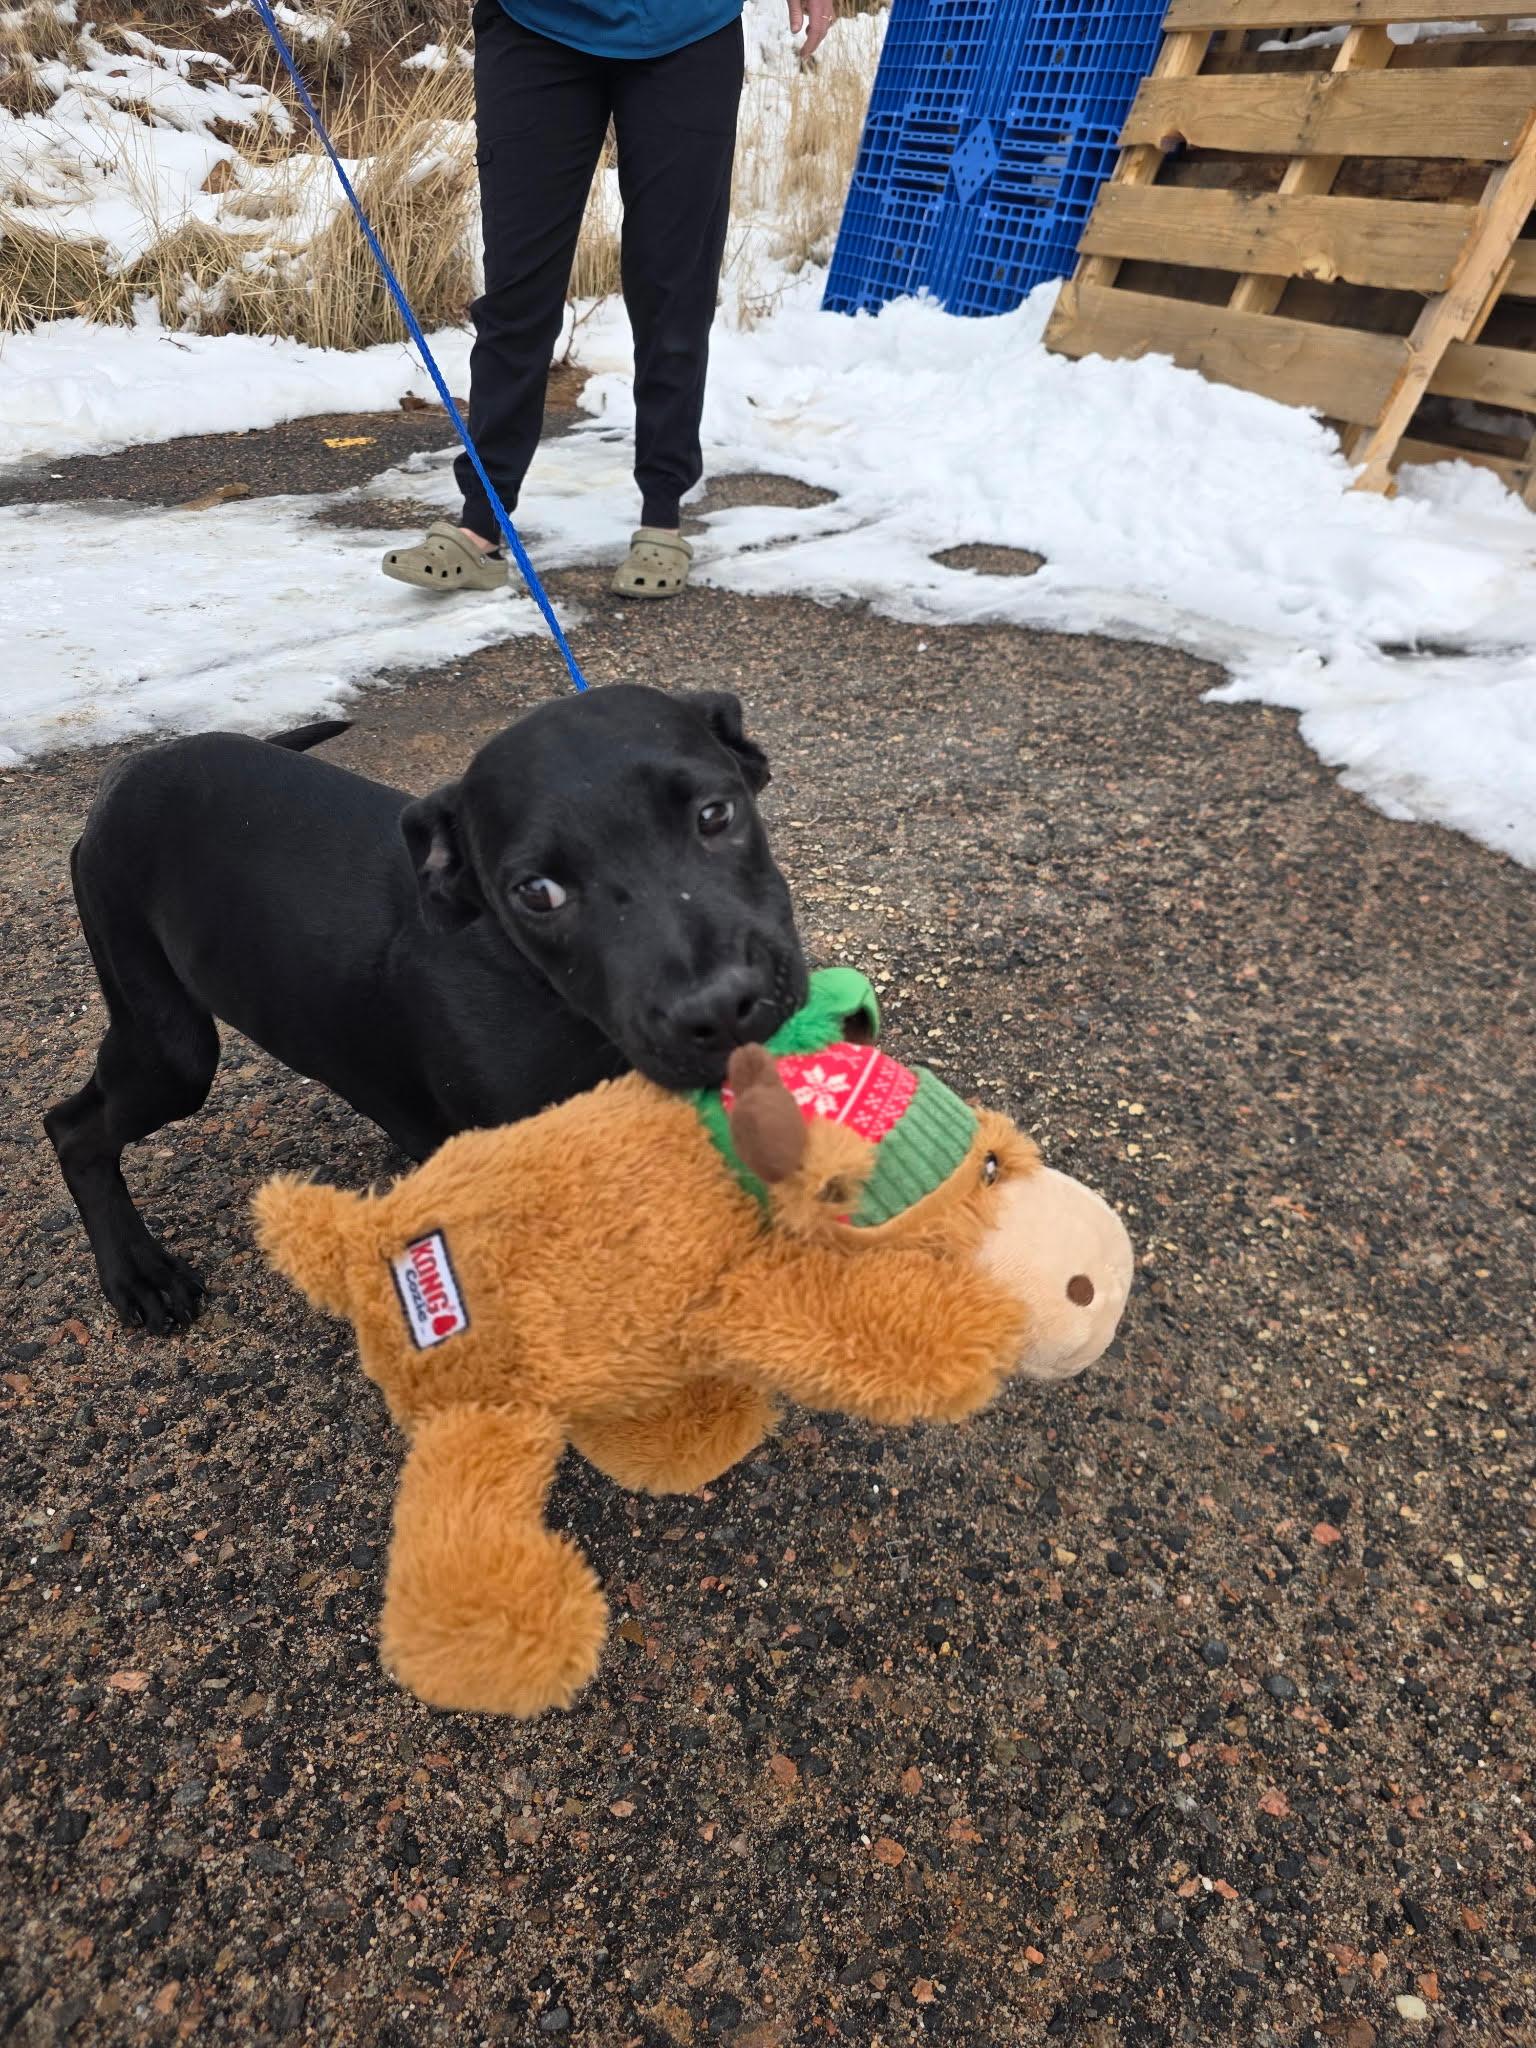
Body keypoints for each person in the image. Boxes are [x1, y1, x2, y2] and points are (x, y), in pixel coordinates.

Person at [384, 0, 835, 601]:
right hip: (533, 25)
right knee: (518, 291)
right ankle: (480, 525)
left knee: (672, 283)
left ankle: (662, 515)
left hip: (686, 29)